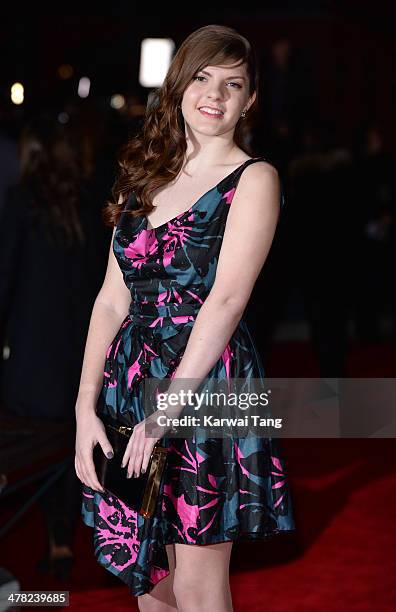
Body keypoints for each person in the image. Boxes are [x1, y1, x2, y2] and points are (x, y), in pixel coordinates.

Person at [75, 24, 296, 610]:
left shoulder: (255, 179)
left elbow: (226, 301)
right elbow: (110, 298)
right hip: (130, 378)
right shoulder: (142, 176)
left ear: (249, 100)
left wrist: (167, 409)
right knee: (150, 576)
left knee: (199, 580)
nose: (214, 95)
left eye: (233, 84)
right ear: (178, 85)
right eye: (202, 77)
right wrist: (83, 405)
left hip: (208, 383)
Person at [0, 113, 106, 580]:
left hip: (34, 350)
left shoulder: (20, 202)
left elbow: (4, 280)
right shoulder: (90, 202)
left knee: (45, 451)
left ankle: (59, 541)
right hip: (85, 346)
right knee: (81, 444)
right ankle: (97, 543)